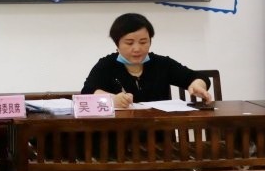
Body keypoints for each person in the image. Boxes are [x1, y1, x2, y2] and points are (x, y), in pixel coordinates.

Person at [81, 12, 213, 109]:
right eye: (129, 43)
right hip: (120, 134)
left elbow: (197, 77)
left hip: (159, 133)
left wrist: (198, 85)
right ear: (117, 44)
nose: (137, 48)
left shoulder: (162, 64)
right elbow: (87, 92)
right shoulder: (106, 65)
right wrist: (111, 100)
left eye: (143, 42)